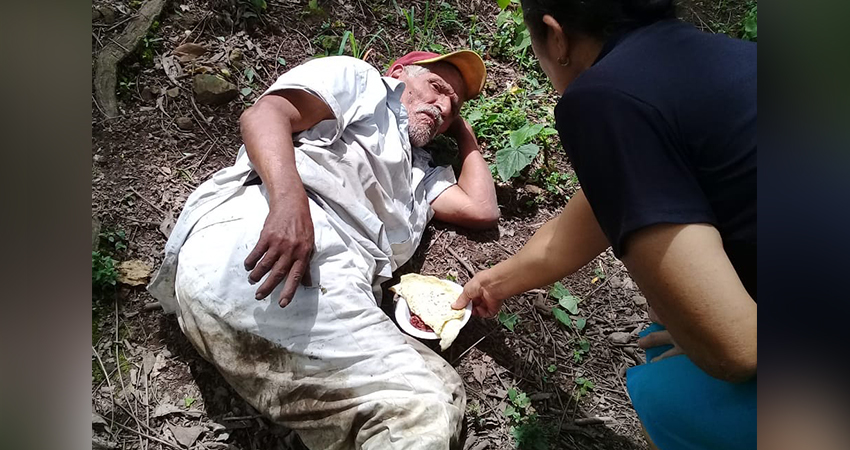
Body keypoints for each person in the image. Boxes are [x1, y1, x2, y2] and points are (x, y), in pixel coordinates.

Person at [147, 49, 499, 450]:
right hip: (265, 242)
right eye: (436, 88)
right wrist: (288, 204)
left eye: (453, 106)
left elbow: (483, 209)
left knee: (444, 392)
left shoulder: (421, 174)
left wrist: (462, 132)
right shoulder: (363, 83)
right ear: (398, 72)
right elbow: (266, 114)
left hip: (324, 285)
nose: (442, 106)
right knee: (420, 412)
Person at [452, 1, 756, 449]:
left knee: (676, 389)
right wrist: (491, 284)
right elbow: (570, 232)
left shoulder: (604, 96)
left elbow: (735, 350)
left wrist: (705, 343)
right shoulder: (735, 58)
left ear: (556, 37)